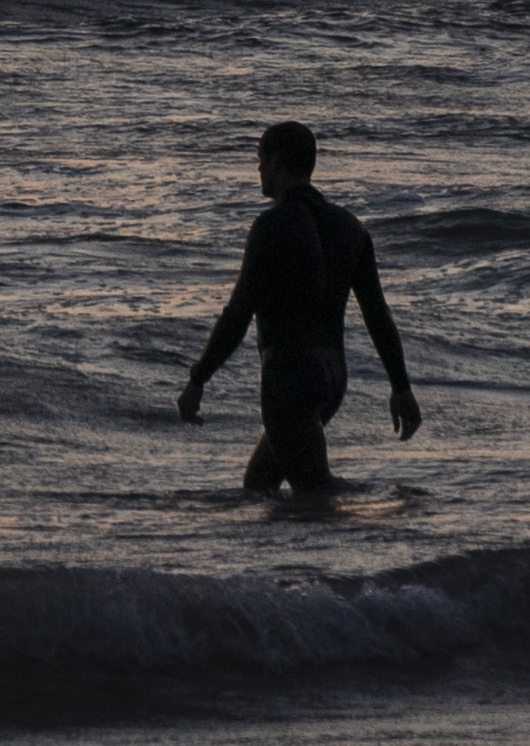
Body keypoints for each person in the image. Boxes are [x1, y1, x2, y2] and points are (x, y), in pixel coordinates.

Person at [177, 119, 419, 499]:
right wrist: (400, 385)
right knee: (259, 484)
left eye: (260, 159)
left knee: (315, 495)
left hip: (289, 378)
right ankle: (291, 558)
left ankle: (396, 509)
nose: (258, 168)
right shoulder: (349, 227)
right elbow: (378, 315)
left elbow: (238, 313)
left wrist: (198, 379)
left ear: (276, 162)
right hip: (333, 378)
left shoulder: (271, 227)